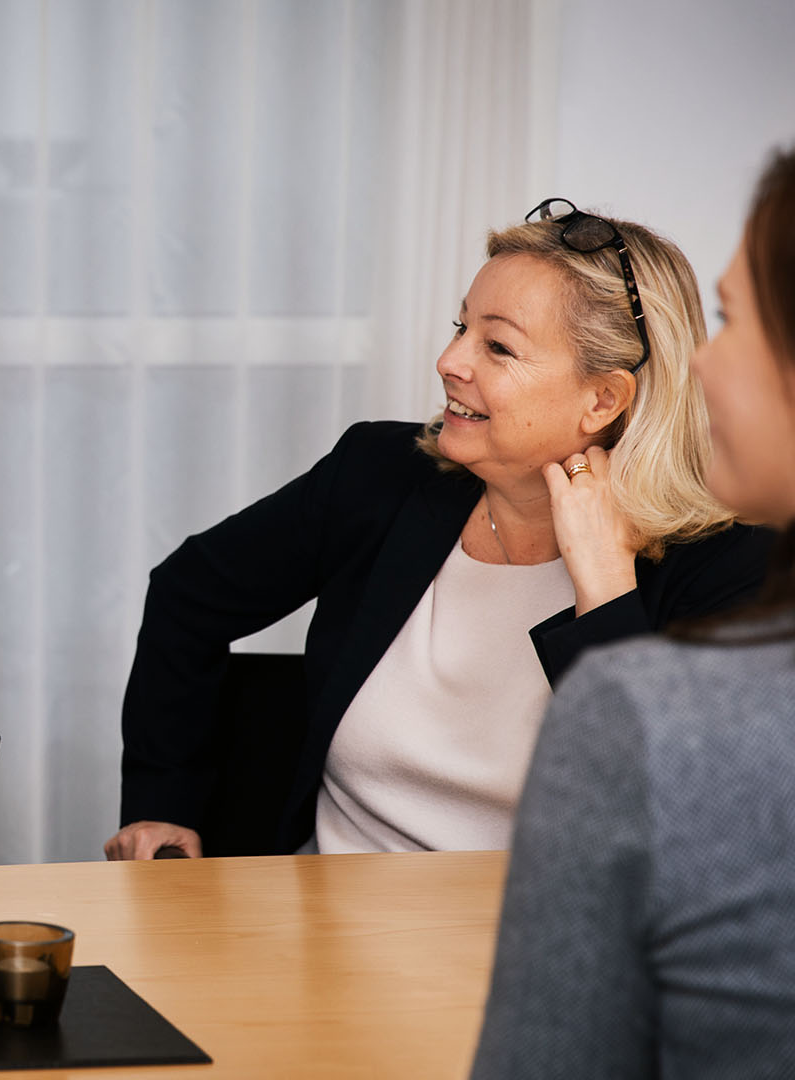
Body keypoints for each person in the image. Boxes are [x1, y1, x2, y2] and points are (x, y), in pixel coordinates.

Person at [107, 201, 773, 861]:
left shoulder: (729, 569)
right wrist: (162, 803)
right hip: (322, 910)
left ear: (602, 399)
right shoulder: (378, 475)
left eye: (498, 346)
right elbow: (187, 595)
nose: (449, 360)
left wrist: (604, 588)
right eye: (461, 327)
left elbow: (688, 828)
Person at [471, 148, 795, 1077]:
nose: (698, 366)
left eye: (733, 323)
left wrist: (606, 586)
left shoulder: (686, 647)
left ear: (603, 401)